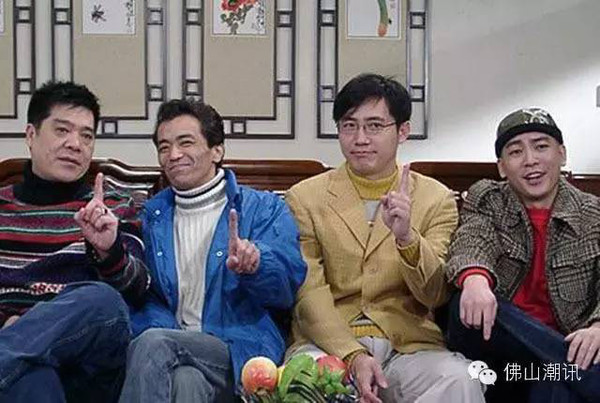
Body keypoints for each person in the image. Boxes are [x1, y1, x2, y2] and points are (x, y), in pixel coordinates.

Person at [285, 73, 484, 403]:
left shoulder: (435, 199)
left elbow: (435, 294)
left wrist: (407, 238)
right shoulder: (305, 197)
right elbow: (308, 293)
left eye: (374, 126)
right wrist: (352, 355)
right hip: (328, 343)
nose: (360, 138)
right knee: (303, 386)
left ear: (402, 131)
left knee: (462, 380)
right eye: (349, 126)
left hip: (408, 346)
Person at [120, 99, 307, 402]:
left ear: (217, 150)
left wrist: (256, 265)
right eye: (164, 147)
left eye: (186, 143)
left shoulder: (263, 208)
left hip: (236, 347)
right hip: (173, 345)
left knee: (154, 343)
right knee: (186, 380)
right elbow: (145, 296)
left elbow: (286, 290)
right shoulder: (151, 217)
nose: (173, 155)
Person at [0, 81, 149, 402]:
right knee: (33, 375)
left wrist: (108, 250)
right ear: (31, 135)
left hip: (89, 365)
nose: (75, 144)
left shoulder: (113, 205)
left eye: (87, 136)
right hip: (19, 364)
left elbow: (140, 288)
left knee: (102, 300)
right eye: (62, 130)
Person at [445, 107, 600, 402]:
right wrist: (475, 279)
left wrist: (598, 326)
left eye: (541, 146)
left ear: (562, 154)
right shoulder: (488, 199)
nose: (530, 160)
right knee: (463, 303)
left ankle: (569, 371)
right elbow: (473, 239)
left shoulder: (593, 213)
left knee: (554, 386)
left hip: (544, 360)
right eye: (516, 152)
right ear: (502, 167)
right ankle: (588, 376)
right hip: (495, 346)